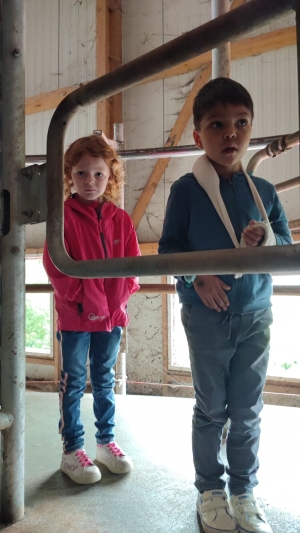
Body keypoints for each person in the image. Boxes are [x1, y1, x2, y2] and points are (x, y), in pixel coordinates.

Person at [158, 78, 292, 533]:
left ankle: (243, 490)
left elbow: (287, 250)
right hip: (206, 317)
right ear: (199, 136)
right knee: (212, 409)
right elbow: (168, 251)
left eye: (240, 123)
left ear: (251, 129)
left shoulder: (265, 193)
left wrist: (264, 239)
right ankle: (210, 491)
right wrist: (199, 274)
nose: (230, 134)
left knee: (248, 408)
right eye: (217, 125)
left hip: (256, 313)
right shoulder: (185, 191)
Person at [43, 134, 140, 485]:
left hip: (111, 320)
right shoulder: (63, 218)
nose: (90, 181)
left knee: (104, 379)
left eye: (98, 174)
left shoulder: (121, 219)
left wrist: (118, 302)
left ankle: (105, 442)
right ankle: (72, 450)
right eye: (82, 174)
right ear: (70, 175)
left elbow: (133, 268)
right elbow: (55, 266)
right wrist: (83, 300)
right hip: (76, 318)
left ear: (110, 177)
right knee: (73, 382)